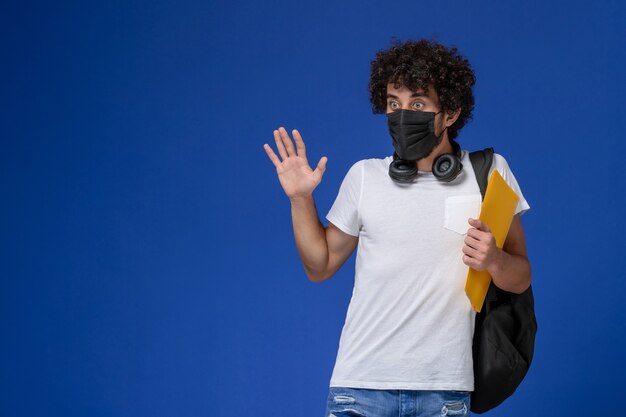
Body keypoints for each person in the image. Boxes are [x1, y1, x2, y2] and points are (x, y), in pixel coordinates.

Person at [263, 38, 531, 417]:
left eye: (418, 104)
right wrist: (300, 199)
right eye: (394, 104)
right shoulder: (364, 177)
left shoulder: (488, 173)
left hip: (444, 392)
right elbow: (319, 266)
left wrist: (494, 260)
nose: (404, 114)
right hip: (359, 388)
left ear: (450, 112)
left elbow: (520, 277)